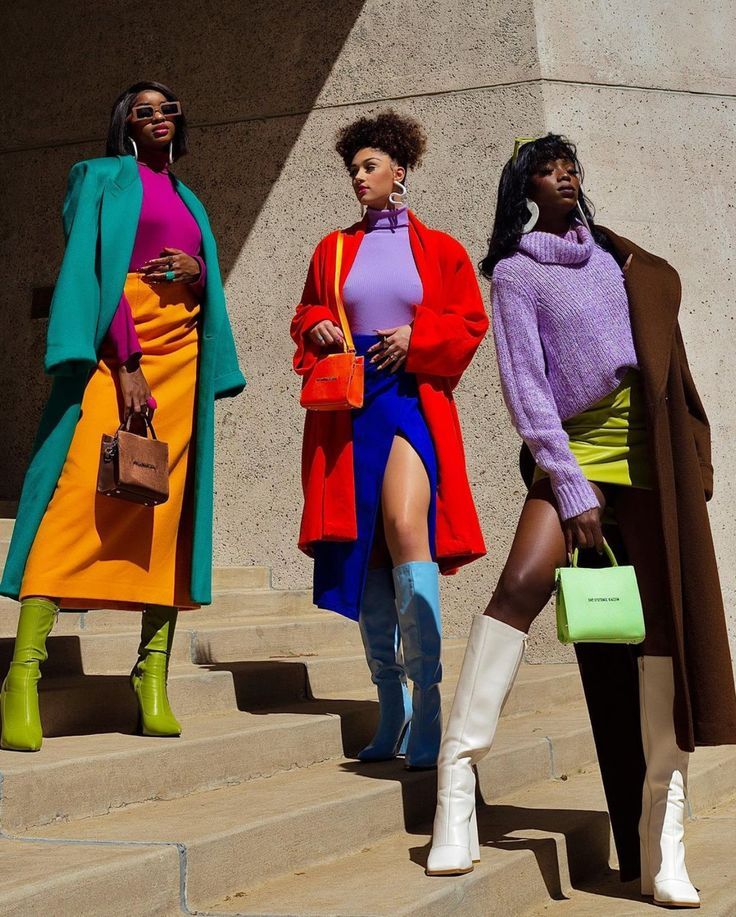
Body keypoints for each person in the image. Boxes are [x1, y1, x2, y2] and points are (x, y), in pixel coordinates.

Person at [426, 134, 736, 908]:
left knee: (662, 634)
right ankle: (456, 782)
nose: (565, 173)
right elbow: (525, 387)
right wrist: (568, 484)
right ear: (525, 184)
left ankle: (662, 840)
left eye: (571, 164)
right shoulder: (517, 274)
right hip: (576, 450)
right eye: (548, 166)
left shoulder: (612, 257)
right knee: (522, 583)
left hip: (648, 455)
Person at [0, 81, 245, 751]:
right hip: (121, 354)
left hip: (183, 358)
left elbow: (200, 283)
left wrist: (198, 270)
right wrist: (127, 359)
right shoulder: (101, 176)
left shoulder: (190, 197)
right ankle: (23, 676)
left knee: (162, 516)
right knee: (76, 499)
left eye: (169, 108)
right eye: (145, 110)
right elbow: (92, 269)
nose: (161, 116)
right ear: (125, 124)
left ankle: (151, 676)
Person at [291, 110, 488, 770]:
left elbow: (468, 320)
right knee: (365, 546)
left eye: (369, 166)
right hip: (351, 407)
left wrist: (418, 338)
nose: (359, 177)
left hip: (412, 398)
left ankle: (428, 704)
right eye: (352, 168)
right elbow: (308, 310)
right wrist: (318, 323)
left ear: (398, 171)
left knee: (407, 523)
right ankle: (390, 704)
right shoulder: (332, 247)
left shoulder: (441, 247)